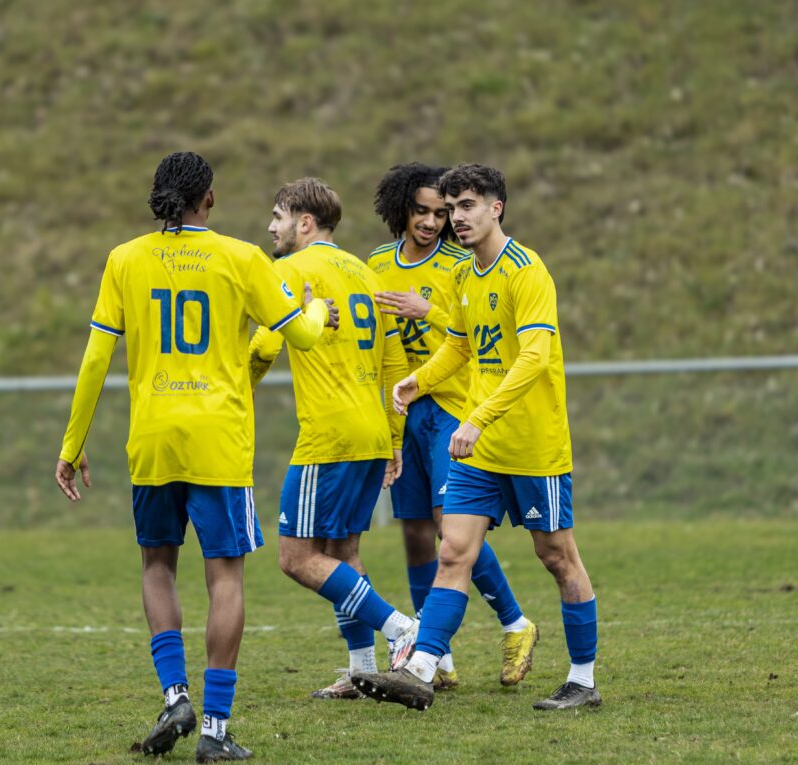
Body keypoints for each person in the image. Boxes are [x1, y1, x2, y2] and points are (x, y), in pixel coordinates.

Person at [54, 152, 336, 763]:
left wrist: (72, 445)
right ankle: (214, 728)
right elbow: (305, 336)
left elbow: (96, 359)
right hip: (218, 441)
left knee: (157, 565)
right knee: (225, 576)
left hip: (153, 437)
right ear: (209, 198)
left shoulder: (124, 259)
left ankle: (174, 696)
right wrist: (317, 308)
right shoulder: (242, 257)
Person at [352, 163, 601, 712]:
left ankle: (583, 680)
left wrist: (478, 417)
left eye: (466, 206)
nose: (455, 218)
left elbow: (534, 358)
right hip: (479, 448)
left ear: (496, 208)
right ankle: (421, 669)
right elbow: (460, 346)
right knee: (453, 551)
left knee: (557, 556)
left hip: (531, 446)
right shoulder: (465, 275)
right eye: (451, 208)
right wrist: (419, 381)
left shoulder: (527, 272)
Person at [248, 177, 419, 699]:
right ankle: (361, 671)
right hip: (370, 430)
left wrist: (236, 389)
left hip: (330, 435)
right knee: (342, 552)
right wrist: (394, 438)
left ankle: (402, 629)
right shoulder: (365, 273)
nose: (270, 227)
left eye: (277, 216)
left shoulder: (289, 269)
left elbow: (264, 344)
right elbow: (395, 363)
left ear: (304, 222)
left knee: (296, 557)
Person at [369, 163, 538, 690]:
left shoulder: (461, 263)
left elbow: (468, 341)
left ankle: (513, 622)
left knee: (452, 527)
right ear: (401, 209)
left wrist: (428, 311)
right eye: (422, 211)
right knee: (416, 533)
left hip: (454, 408)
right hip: (406, 409)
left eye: (440, 214)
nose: (431, 222)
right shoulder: (376, 264)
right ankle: (435, 656)